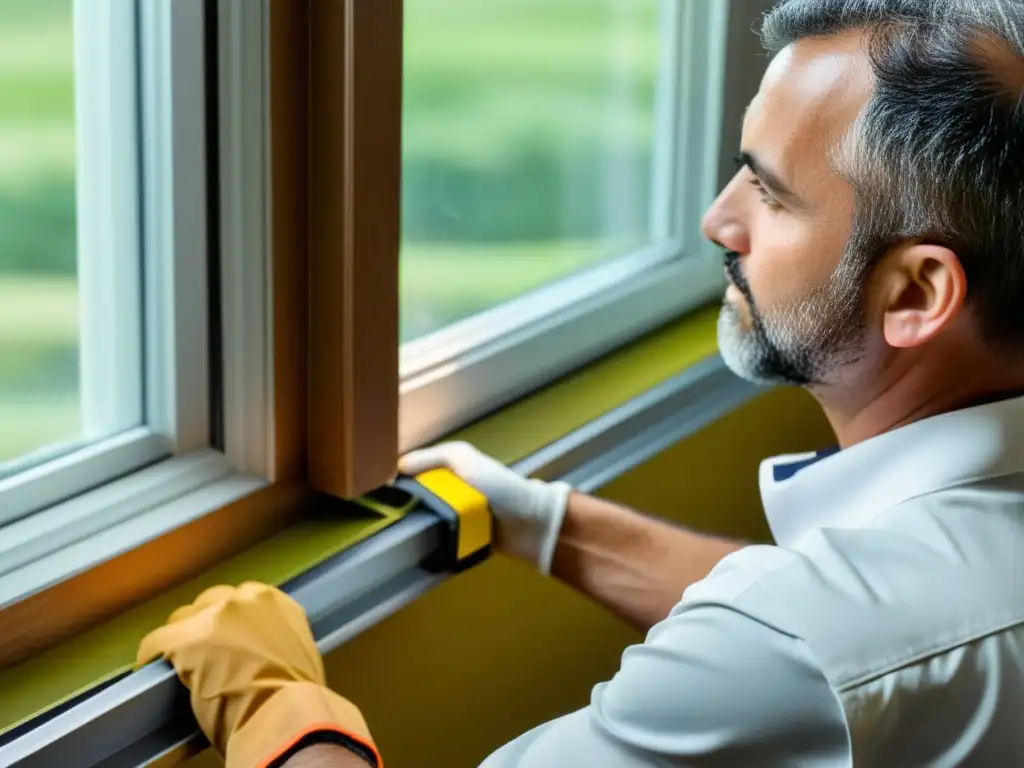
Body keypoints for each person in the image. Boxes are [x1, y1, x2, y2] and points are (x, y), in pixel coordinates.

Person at [136, 0, 1024, 765]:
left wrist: (273, 705)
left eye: (772, 193)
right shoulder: (904, 589)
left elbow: (804, 645)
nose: (720, 219)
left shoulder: (792, 645)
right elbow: (846, 624)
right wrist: (545, 521)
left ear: (915, 292)